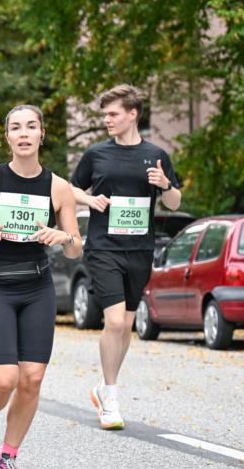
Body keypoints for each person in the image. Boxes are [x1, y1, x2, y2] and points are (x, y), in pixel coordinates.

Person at [0, 105, 82, 469]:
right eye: (16, 127)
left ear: (42, 134)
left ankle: (8, 457)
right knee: (3, 378)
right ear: (8, 137)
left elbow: (76, 247)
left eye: (31, 126)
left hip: (36, 286)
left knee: (31, 378)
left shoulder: (58, 187)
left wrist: (63, 237)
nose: (24, 133)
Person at [69, 84, 182, 430]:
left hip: (139, 250)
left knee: (127, 325)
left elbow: (175, 202)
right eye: (105, 114)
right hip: (104, 247)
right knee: (114, 322)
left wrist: (165, 183)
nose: (107, 120)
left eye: (113, 114)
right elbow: (70, 190)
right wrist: (90, 201)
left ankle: (104, 387)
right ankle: (112, 398)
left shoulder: (157, 155)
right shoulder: (96, 155)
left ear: (133, 114)